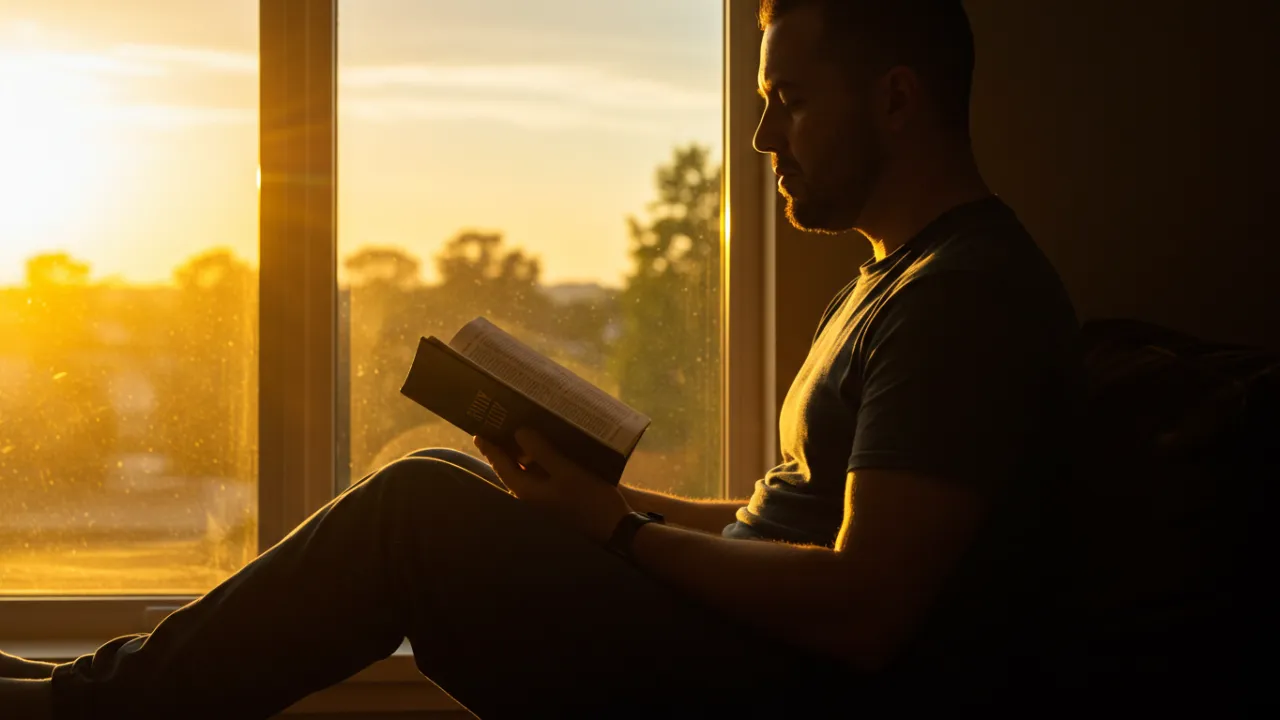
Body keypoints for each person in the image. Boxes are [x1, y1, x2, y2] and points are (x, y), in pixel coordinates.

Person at [2, 0, 1080, 716]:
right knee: (453, 478)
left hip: (777, 685)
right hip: (739, 647)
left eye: (787, 102)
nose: (761, 138)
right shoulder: (891, 280)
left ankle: (84, 710)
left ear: (896, 99)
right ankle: (100, 691)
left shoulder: (965, 297)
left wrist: (615, 530)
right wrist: (596, 500)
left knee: (415, 507)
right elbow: (782, 524)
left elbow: (865, 604)